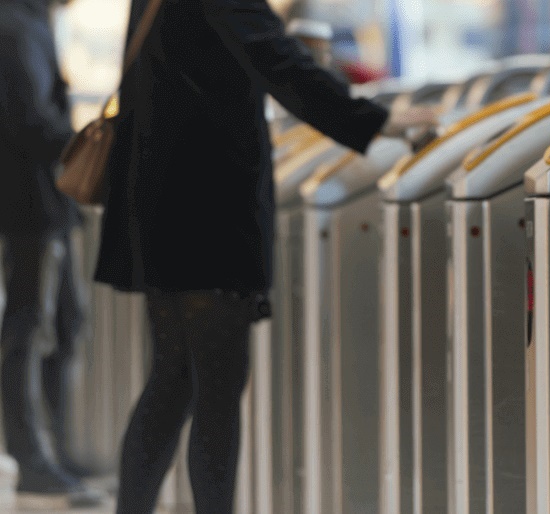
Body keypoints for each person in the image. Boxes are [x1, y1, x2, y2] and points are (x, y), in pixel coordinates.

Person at [94, 0, 437, 512]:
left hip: (164, 205)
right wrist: (377, 120)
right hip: (206, 211)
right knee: (215, 387)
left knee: (173, 379)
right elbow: (276, 60)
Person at [0, 0, 106, 507]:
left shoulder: (30, 21)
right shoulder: (14, 25)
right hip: (30, 206)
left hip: (44, 204)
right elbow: (29, 121)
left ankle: (53, 453)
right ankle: (33, 457)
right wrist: (97, 147)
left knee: (61, 325)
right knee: (31, 329)